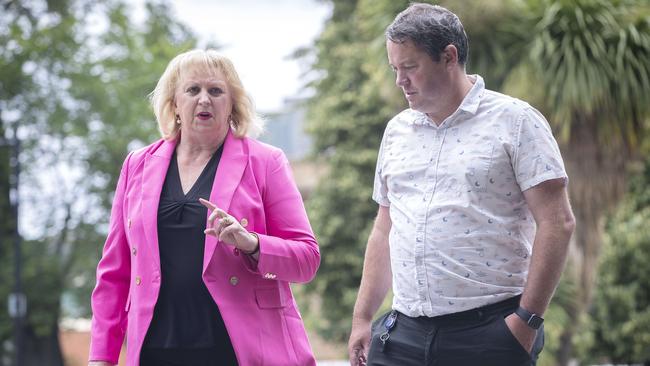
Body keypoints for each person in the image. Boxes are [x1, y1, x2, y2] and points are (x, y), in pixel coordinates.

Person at [348, 4, 576, 366]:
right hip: (402, 334)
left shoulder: (516, 122)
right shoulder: (396, 131)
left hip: (489, 333)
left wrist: (526, 322)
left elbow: (558, 222)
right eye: (395, 69)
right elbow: (384, 227)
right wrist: (362, 318)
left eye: (410, 67)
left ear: (449, 56)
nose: (399, 81)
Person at [88, 49, 320, 366]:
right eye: (193, 90)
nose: (204, 99)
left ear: (232, 105)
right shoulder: (137, 165)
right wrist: (102, 357)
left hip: (238, 350)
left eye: (216, 91)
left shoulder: (266, 162)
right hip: (156, 350)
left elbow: (306, 259)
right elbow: (114, 273)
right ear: (174, 104)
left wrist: (252, 244)